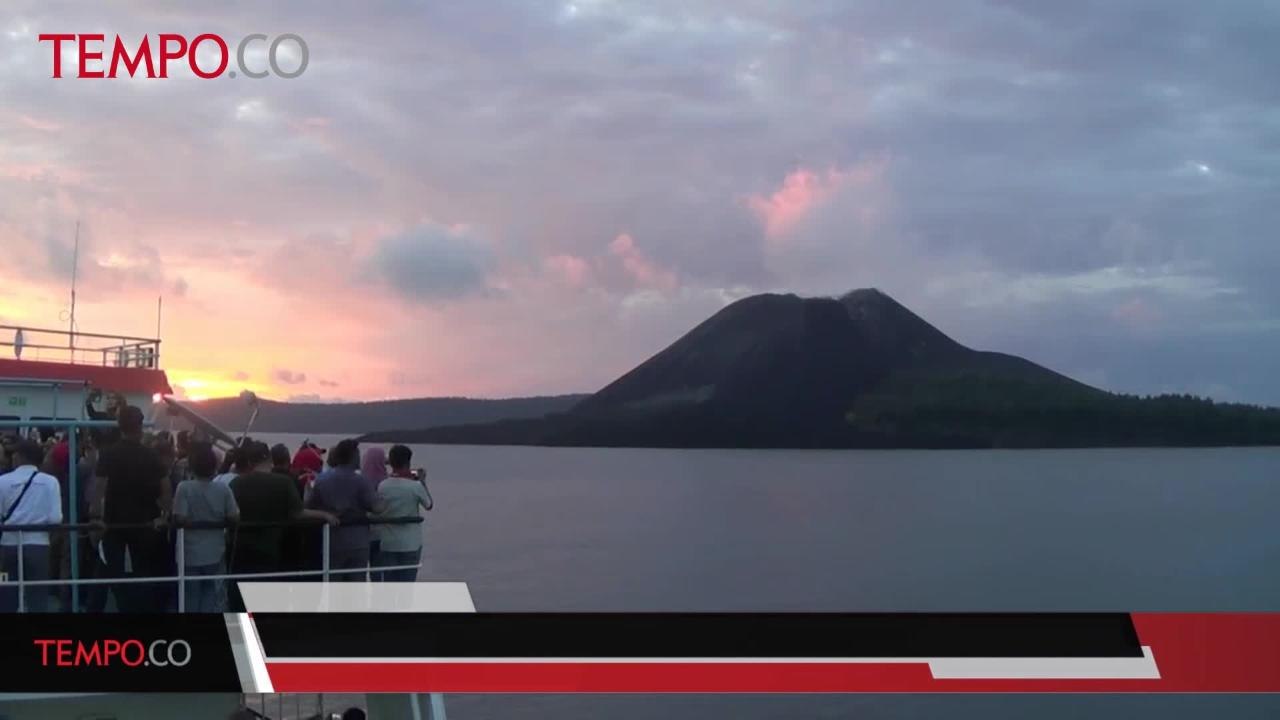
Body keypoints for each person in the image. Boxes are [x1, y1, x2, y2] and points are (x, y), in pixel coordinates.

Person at [228, 441, 337, 610]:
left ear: (249, 461)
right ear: (269, 459)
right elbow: (298, 513)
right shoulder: (283, 482)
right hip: (271, 548)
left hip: (242, 548)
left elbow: (231, 515)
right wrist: (324, 514)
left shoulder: (236, 483)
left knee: (241, 600)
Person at [91, 405, 172, 613]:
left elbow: (98, 488)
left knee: (114, 573)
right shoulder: (151, 456)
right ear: (141, 425)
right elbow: (166, 488)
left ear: (120, 426)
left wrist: (96, 517)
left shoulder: (109, 454)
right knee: (142, 574)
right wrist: (164, 516)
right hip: (145, 524)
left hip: (113, 524)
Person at [172, 442, 239, 612]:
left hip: (189, 552)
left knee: (190, 594)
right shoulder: (223, 489)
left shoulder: (184, 488)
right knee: (210, 593)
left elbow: (179, 517)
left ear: (192, 466)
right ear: (214, 466)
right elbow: (233, 516)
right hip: (215, 551)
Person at [306, 439, 384, 580]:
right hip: (358, 542)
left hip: (332, 542)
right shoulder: (361, 481)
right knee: (355, 588)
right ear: (352, 456)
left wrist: (325, 513)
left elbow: (309, 506)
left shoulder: (322, 480)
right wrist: (383, 499)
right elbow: (377, 508)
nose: (360, 457)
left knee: (334, 586)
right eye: (358, 454)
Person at [0, 440, 63, 612]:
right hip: (39, 545)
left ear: (19, 457)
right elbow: (55, 518)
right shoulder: (51, 482)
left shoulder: (2, 481)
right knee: (38, 594)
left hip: (7, 546)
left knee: (5, 591)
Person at [373, 444, 432, 582]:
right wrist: (422, 482)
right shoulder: (415, 486)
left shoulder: (383, 485)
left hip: (388, 543)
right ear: (408, 462)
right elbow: (429, 504)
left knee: (389, 585)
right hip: (410, 544)